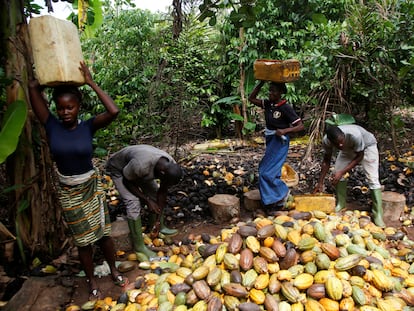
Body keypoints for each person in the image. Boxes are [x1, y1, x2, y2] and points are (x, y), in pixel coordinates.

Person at [29, 61, 126, 301]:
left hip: (92, 187)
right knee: (84, 241)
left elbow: (113, 111)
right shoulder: (51, 125)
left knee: (103, 235)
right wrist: (47, 75)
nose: (65, 113)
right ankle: (91, 279)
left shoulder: (88, 127)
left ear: (78, 107)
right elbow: (32, 88)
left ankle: (114, 269)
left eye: (70, 107)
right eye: (61, 108)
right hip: (68, 191)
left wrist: (91, 82)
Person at [105, 145, 183, 259]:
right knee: (133, 202)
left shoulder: (170, 164)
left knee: (154, 192)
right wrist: (147, 201)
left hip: (137, 172)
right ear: (162, 173)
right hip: (120, 171)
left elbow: (162, 191)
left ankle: (157, 227)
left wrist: (158, 219)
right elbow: (127, 182)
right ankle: (139, 246)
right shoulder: (141, 165)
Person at [248, 81, 304, 215]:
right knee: (272, 170)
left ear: (280, 93)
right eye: (270, 90)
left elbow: (301, 126)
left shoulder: (285, 107)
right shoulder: (268, 104)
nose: (271, 93)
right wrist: (261, 82)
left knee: (265, 172)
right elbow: (251, 98)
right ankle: (276, 202)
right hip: (271, 140)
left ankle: (281, 195)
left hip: (280, 141)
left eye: (274, 91)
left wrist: (285, 131)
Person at [314, 124, 385, 227]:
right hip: (348, 150)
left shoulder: (354, 135)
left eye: (342, 141)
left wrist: (342, 172)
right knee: (337, 172)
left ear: (344, 135)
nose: (340, 145)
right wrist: (320, 182)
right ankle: (341, 204)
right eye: (337, 144)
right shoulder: (327, 141)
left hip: (367, 146)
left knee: (372, 178)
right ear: (331, 142)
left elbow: (359, 156)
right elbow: (326, 160)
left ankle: (378, 213)